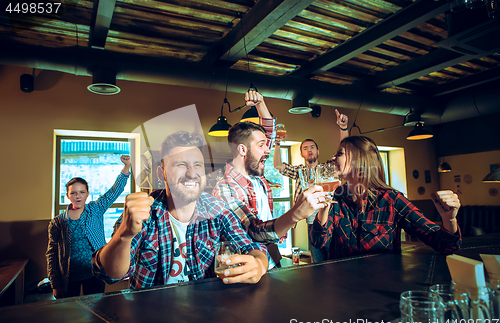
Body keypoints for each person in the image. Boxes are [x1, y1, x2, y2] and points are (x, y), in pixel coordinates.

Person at [92, 131, 283, 290]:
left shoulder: (217, 210)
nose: (192, 173)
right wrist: (123, 236)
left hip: (207, 317)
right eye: (181, 165)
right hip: (150, 319)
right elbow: (110, 275)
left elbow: (253, 248)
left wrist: (258, 264)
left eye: (198, 165)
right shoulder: (145, 213)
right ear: (162, 173)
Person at [213, 90, 327, 268]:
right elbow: (255, 231)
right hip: (246, 270)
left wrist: (260, 104)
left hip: (272, 260)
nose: (267, 150)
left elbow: (268, 136)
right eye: (261, 146)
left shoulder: (256, 177)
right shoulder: (225, 189)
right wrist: (297, 212)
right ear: (242, 150)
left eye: (266, 145)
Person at [310, 136, 462, 260]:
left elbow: (446, 246)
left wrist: (449, 220)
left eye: (340, 153)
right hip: (340, 289)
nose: (333, 157)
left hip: (380, 288)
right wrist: (324, 207)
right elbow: (318, 242)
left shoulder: (392, 200)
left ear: (359, 159)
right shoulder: (336, 197)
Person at [46, 155, 131, 299]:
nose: (77, 196)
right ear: (67, 195)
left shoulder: (96, 209)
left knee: (96, 309)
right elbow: (52, 254)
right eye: (73, 193)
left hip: (95, 272)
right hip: (68, 277)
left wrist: (127, 167)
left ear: (87, 194)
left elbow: (114, 192)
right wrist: (55, 284)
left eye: (82, 192)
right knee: (69, 313)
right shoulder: (58, 222)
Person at [273, 109, 348, 263]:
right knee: (318, 262)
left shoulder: (328, 168)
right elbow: (278, 166)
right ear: (302, 154)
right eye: (305, 148)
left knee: (335, 260)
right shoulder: (299, 171)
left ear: (318, 151)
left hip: (332, 219)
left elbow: (344, 152)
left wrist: (343, 128)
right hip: (311, 222)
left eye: (312, 147)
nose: (309, 150)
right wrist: (277, 143)